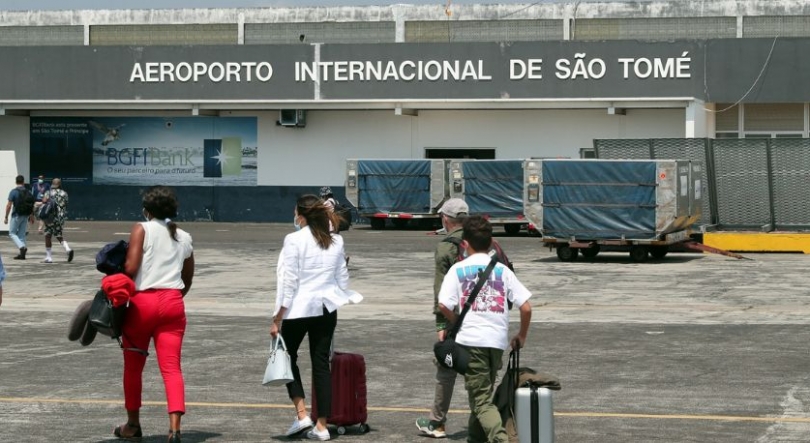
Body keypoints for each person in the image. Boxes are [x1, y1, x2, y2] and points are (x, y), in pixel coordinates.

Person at [416, 198, 514, 438]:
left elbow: (441, 292)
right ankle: (478, 428)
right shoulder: (492, 244)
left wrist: (443, 323)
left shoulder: (446, 247)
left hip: (458, 318)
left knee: (446, 367)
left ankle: (437, 422)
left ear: (446, 220)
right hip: (492, 321)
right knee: (482, 381)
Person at [270, 194, 361, 441]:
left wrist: (277, 317)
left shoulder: (293, 240)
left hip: (299, 309)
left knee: (287, 357)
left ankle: (301, 414)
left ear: (301, 214)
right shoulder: (336, 241)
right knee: (321, 364)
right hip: (326, 308)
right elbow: (343, 279)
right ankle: (321, 426)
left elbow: (289, 282)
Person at [437, 215, 532, 443]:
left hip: (471, 342)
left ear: (465, 243)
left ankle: (501, 439)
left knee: (480, 401)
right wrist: (521, 335)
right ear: (490, 244)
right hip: (496, 342)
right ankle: (474, 438)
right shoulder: (503, 271)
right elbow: (526, 307)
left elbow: (443, 304)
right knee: (481, 396)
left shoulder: (457, 270)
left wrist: (455, 320)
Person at [114, 186, 194, 443]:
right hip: (172, 303)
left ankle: (133, 425)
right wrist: (172, 298)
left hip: (142, 304)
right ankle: (175, 428)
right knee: (172, 368)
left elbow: (131, 267)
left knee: (133, 367)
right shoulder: (184, 236)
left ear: (147, 211)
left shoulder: (142, 228)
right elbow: (187, 277)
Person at [41, 178, 73, 263]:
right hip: (60, 218)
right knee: (58, 234)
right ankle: (67, 248)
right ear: (59, 184)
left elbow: (44, 201)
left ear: (53, 184)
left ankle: (49, 257)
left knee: (48, 235)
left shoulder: (48, 192)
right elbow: (66, 204)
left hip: (50, 217)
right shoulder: (64, 193)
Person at [4, 175, 32, 260]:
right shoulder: (28, 191)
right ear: (23, 182)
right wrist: (31, 215)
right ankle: (22, 255)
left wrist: (6, 216)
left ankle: (22, 247)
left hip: (16, 215)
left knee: (12, 233)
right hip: (26, 215)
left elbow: (9, 205)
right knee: (21, 235)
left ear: (16, 182)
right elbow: (31, 204)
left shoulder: (13, 191)